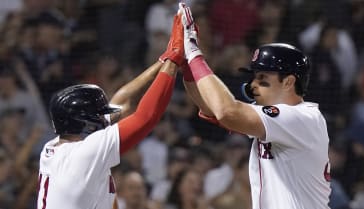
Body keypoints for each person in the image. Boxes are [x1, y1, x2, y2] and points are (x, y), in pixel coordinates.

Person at [177, 3, 331, 209]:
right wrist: (188, 64)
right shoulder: (277, 120)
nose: (253, 85)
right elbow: (211, 107)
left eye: (263, 78)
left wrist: (195, 52)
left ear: (288, 82)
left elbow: (227, 110)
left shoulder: (301, 118)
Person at [36, 12, 185, 209]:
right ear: (85, 123)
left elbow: (123, 102)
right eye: (97, 115)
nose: (104, 117)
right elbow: (146, 116)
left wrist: (164, 60)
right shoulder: (86, 152)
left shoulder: (59, 144)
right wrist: (173, 63)